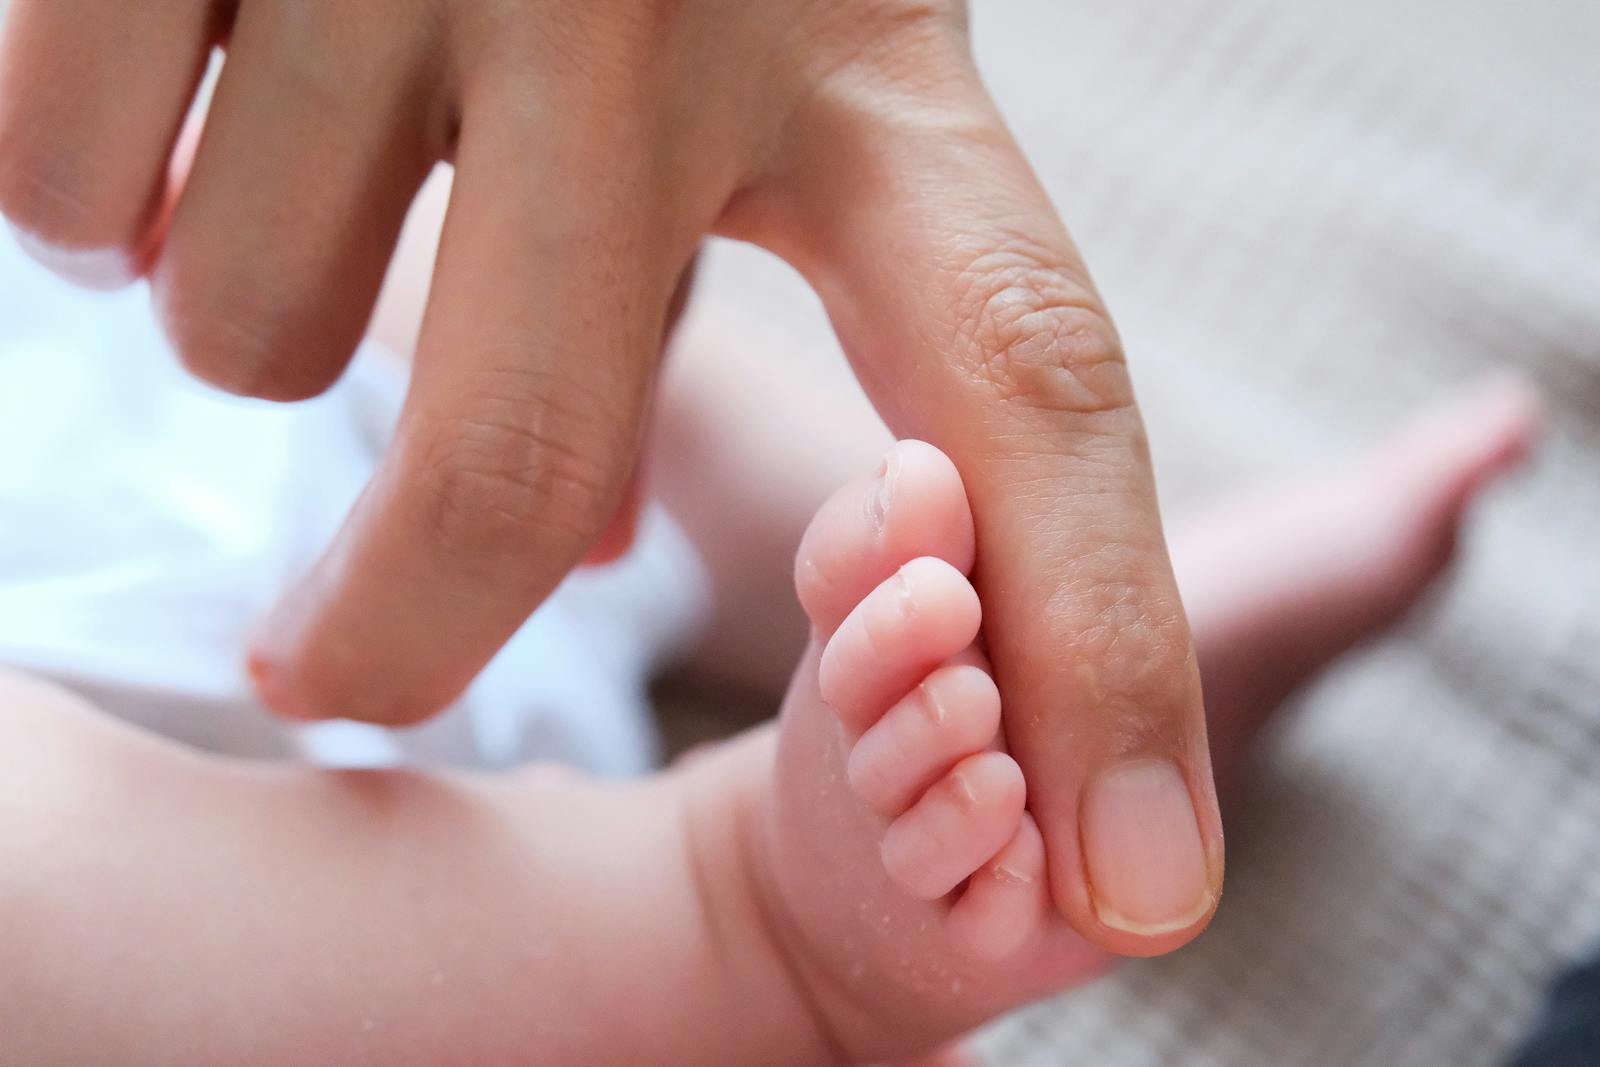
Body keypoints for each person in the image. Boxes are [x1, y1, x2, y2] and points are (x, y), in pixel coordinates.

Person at [0, 0, 1229, 954]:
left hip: (235, 346)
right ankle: (745, 907)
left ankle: (1107, 623)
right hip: (198, 785)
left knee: (547, 276)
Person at [0, 362, 1536, 1062]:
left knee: (544, 321)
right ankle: (752, 916)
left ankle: (1061, 623)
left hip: (207, 367)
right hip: (223, 803)